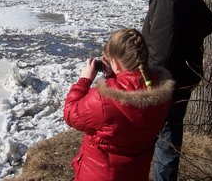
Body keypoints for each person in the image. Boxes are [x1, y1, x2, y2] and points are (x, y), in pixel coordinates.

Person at [142, 0, 212, 181]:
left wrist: (147, 82)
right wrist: (187, 42)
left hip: (168, 81)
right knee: (170, 135)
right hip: (184, 75)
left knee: (165, 138)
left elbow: (159, 52)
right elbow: (208, 21)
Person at [63, 28, 174, 181]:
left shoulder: (103, 99)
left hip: (100, 174)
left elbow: (71, 114)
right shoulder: (160, 91)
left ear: (114, 62)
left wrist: (84, 81)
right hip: (136, 172)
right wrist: (112, 77)